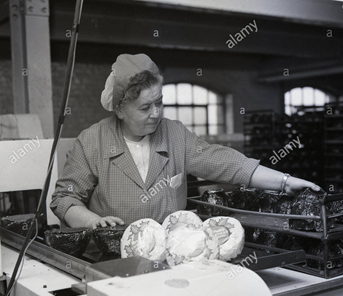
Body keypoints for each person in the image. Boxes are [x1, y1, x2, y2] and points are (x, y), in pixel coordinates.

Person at [50, 54, 320, 229]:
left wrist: (285, 181)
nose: (156, 114)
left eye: (159, 103)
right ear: (119, 109)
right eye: (145, 108)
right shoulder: (92, 141)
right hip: (111, 259)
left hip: (169, 253)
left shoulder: (174, 134)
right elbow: (65, 199)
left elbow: (228, 163)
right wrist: (94, 221)